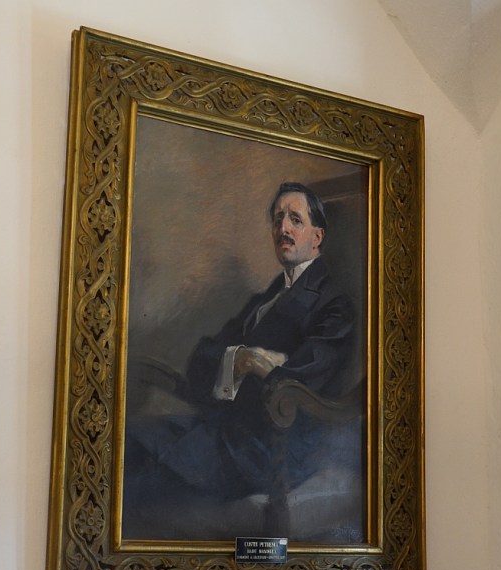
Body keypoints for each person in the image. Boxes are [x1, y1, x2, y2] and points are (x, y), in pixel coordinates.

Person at [123, 182, 355, 538]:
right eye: (277, 219)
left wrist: (257, 364)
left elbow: (305, 375)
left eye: (295, 219)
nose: (283, 228)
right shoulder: (269, 295)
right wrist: (242, 359)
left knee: (138, 485)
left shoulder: (333, 304)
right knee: (127, 440)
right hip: (224, 429)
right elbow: (203, 358)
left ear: (317, 236)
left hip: (270, 447)